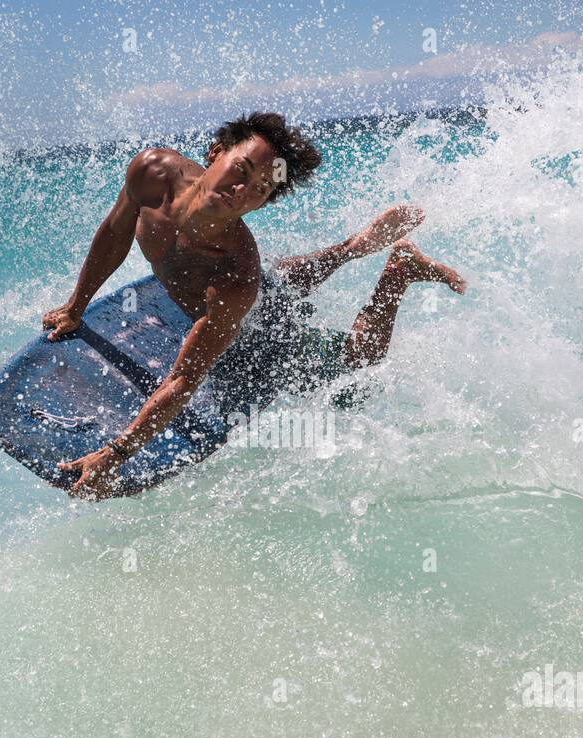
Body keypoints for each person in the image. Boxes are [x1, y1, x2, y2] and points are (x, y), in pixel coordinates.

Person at [42, 111, 466, 499]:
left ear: (264, 203)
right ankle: (352, 247)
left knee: (358, 368)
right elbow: (115, 233)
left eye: (261, 188)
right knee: (276, 282)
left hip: (262, 341)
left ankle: (399, 271)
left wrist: (114, 454)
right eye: (241, 169)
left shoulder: (235, 274)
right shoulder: (152, 172)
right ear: (216, 152)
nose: (242, 190)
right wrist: (75, 306)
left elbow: (184, 379)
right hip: (256, 291)